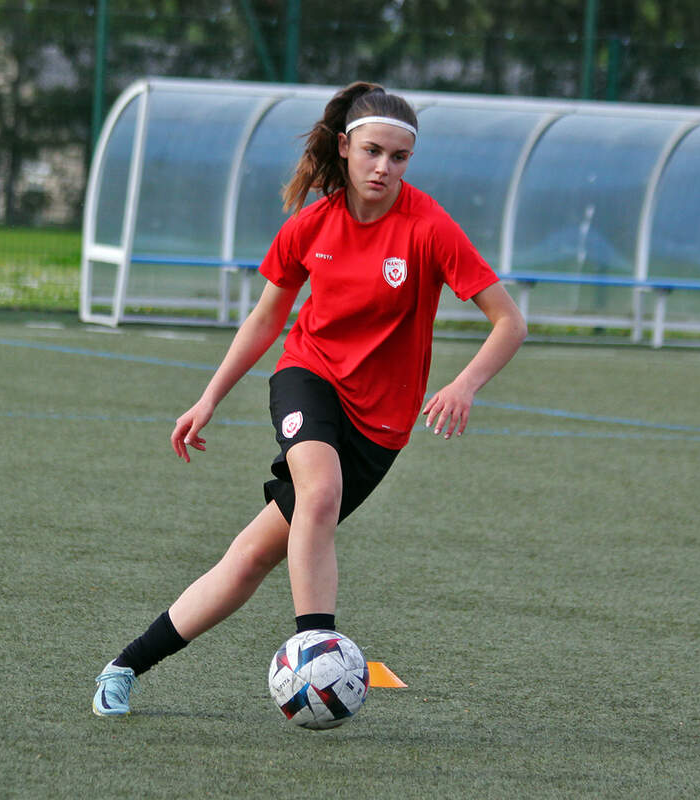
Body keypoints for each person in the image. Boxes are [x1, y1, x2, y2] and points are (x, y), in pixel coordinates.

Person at [92, 81, 526, 716]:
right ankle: (313, 648)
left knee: (247, 561)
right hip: (309, 376)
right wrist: (209, 397)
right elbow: (267, 321)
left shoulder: (428, 227)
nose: (385, 168)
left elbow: (509, 321)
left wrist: (464, 383)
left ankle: (125, 666)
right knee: (319, 492)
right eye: (373, 151)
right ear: (346, 148)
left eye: (399, 158)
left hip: (380, 428)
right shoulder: (311, 225)